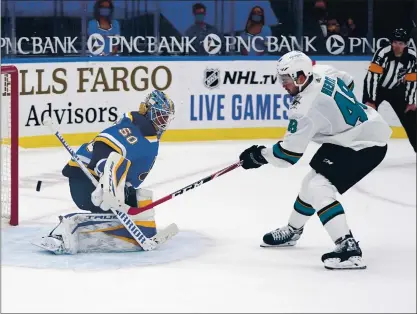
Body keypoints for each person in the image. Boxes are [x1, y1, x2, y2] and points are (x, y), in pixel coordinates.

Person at [238, 51, 392, 270]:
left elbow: (287, 156)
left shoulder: (303, 109)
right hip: (352, 135)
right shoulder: (322, 71)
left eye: (287, 80)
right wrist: (336, 116)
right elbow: (347, 80)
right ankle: (293, 230)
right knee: (309, 182)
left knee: (319, 187)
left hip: (366, 144)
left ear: (301, 76)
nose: (283, 85)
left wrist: (258, 155)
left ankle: (348, 249)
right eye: (281, 79)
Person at [37, 90, 175, 254]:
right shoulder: (132, 128)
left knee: (141, 202)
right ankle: (66, 229)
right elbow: (103, 144)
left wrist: (121, 188)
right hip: (87, 180)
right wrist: (106, 178)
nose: (164, 121)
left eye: (166, 117)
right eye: (161, 116)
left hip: (103, 182)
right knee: (126, 207)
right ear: (150, 112)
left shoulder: (147, 134)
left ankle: (133, 233)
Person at [362, 28, 416, 152]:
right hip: (376, 88)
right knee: (366, 117)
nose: (397, 46)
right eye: (395, 42)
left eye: (401, 43)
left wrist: (411, 101)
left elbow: (412, 79)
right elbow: (372, 77)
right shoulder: (382, 53)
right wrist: (371, 100)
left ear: (406, 45)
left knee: (411, 119)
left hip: (396, 90)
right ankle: (362, 149)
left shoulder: (412, 57)